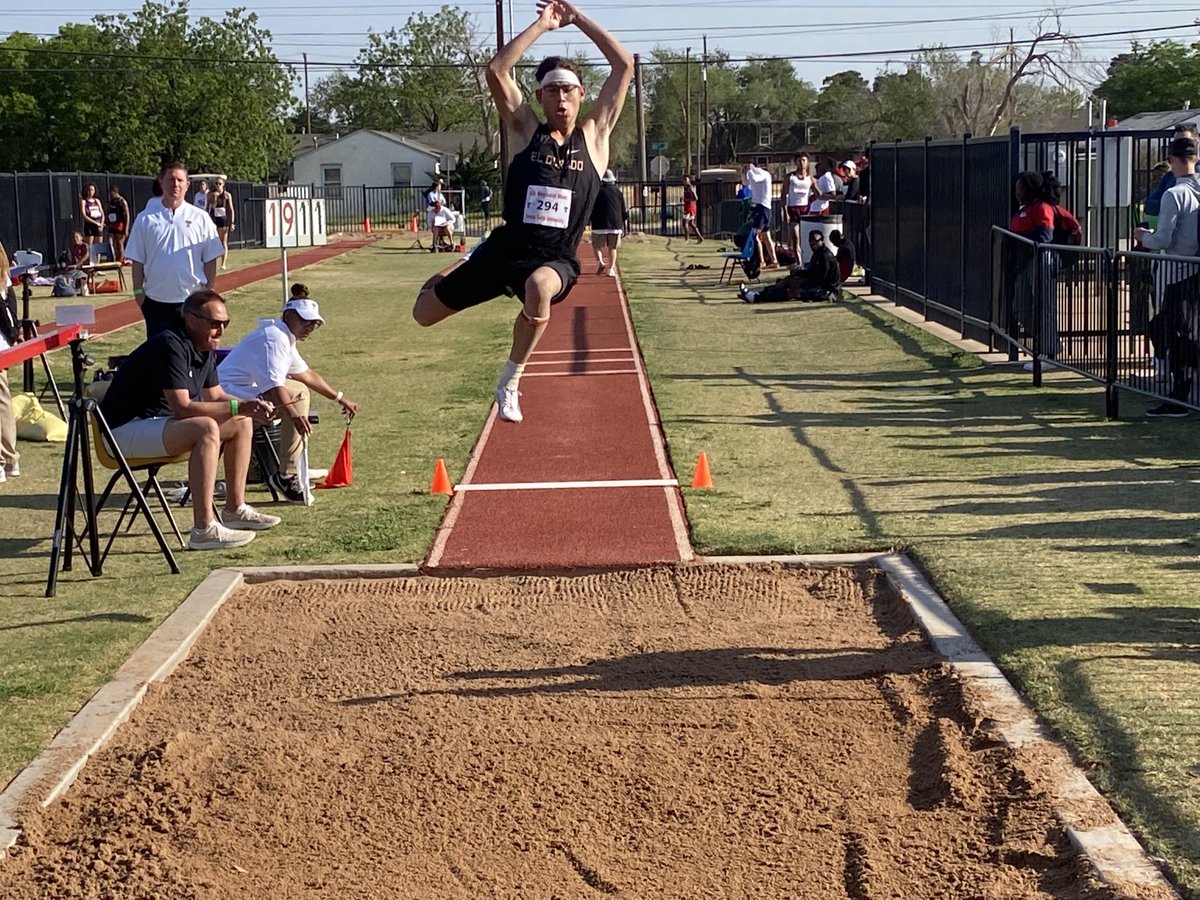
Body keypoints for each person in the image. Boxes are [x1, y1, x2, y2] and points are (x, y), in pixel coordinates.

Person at [411, 0, 633, 425]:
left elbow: (623, 66)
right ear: (541, 97)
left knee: (538, 286)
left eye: (569, 89)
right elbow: (496, 70)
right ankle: (466, 260)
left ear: (582, 95)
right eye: (552, 89)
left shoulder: (595, 135)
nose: (561, 97)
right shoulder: (525, 130)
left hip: (555, 258)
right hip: (506, 248)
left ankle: (510, 381)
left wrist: (578, 17)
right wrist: (542, 25)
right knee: (422, 314)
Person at [98, 289, 281, 550]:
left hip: (155, 425)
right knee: (205, 427)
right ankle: (203, 529)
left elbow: (215, 395)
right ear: (191, 320)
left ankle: (234, 509)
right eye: (214, 324)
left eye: (224, 324)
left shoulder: (204, 346)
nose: (220, 330)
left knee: (242, 421)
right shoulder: (170, 344)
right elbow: (182, 407)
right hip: (120, 432)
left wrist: (251, 406)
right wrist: (238, 405)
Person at [217, 297, 359, 503]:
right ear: (288, 316)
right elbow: (275, 387)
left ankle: (289, 471)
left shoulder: (284, 337)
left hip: (244, 394)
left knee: (298, 391)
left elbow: (306, 374)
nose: (310, 327)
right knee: (295, 395)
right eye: (305, 321)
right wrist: (295, 417)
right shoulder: (274, 339)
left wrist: (340, 398)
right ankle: (286, 475)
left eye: (314, 324)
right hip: (227, 399)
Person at [1134, 136, 1200, 417]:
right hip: (1197, 269)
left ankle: (1179, 398)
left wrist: (1142, 236)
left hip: (1178, 271)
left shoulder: (1175, 194)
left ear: (1172, 160)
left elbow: (1163, 239)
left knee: (1178, 335)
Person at [126, 161, 224, 337]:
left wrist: (209, 291)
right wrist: (139, 293)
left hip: (192, 303)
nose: (175, 185)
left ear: (187, 185)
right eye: (171, 180)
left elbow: (210, 258)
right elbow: (137, 259)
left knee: (194, 356)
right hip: (156, 303)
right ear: (161, 182)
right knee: (159, 359)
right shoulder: (145, 219)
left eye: (180, 180)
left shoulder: (200, 218)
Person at [737, 230, 841, 303]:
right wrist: (797, 274)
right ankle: (758, 294)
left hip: (827, 291)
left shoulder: (826, 257)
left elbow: (820, 279)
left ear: (822, 241)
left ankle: (757, 298)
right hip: (819, 285)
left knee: (792, 290)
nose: (812, 245)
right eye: (810, 242)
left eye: (815, 242)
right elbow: (812, 273)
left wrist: (801, 281)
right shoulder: (818, 253)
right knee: (787, 281)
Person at [1144, 123, 1198, 227]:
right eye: (1176, 143)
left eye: (1184, 142)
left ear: (1197, 144)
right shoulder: (1169, 177)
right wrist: (1172, 205)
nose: (1179, 147)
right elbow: (1149, 205)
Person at [0, 243, 21, 483]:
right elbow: (9, 306)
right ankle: (10, 458)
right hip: (4, 341)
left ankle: (6, 459)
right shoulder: (5, 271)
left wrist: (12, 331)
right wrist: (13, 331)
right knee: (3, 399)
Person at [741, 161, 778, 271]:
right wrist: (744, 173)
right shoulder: (753, 175)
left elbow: (755, 179)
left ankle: (761, 260)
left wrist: (750, 170)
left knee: (755, 236)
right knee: (766, 236)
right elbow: (745, 183)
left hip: (763, 208)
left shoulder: (764, 174)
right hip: (759, 207)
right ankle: (774, 260)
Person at [590, 169, 627, 276]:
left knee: (596, 245)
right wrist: (623, 219)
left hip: (599, 224)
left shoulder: (597, 191)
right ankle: (611, 268)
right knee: (612, 247)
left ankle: (600, 261)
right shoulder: (618, 192)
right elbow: (623, 210)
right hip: (615, 224)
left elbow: (591, 208)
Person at [783, 154, 813, 262]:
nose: (802, 163)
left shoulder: (810, 178)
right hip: (793, 209)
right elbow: (784, 194)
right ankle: (798, 261)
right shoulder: (790, 177)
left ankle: (806, 260)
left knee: (805, 237)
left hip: (805, 209)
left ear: (807, 162)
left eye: (804, 160)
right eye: (799, 160)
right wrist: (785, 211)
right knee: (795, 237)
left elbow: (818, 194)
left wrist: (834, 196)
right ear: (796, 162)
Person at [208, 176, 235, 270]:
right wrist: (215, 197)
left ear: (223, 184)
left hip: (224, 220)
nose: (218, 186)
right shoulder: (211, 195)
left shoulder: (227, 195)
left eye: (219, 184)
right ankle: (213, 262)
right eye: (216, 184)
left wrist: (232, 222)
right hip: (214, 220)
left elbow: (231, 210)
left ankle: (223, 263)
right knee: (215, 241)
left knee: (223, 241)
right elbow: (211, 207)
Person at [106, 186, 131, 263]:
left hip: (120, 224)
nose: (110, 195)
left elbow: (127, 215)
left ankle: (120, 260)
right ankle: (112, 257)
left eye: (111, 193)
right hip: (112, 224)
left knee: (119, 243)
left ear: (115, 192)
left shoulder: (122, 201)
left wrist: (126, 229)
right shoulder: (111, 202)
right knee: (110, 240)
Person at [681, 174, 703, 243]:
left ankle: (687, 239)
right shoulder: (685, 187)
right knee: (691, 223)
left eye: (686, 180)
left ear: (689, 180)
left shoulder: (690, 187)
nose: (684, 181)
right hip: (689, 206)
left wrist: (686, 199)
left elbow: (696, 198)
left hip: (689, 207)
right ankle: (700, 237)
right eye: (684, 180)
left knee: (685, 223)